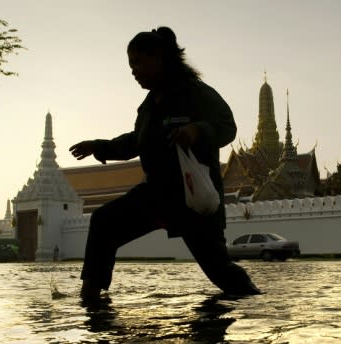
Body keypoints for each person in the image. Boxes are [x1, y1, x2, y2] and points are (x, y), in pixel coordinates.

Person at [70, 26, 260, 302]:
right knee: (104, 223)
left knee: (220, 270)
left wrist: (197, 130)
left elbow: (227, 127)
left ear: (158, 58)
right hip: (156, 196)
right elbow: (137, 141)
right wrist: (98, 147)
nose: (133, 70)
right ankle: (90, 300)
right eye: (130, 64)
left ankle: (257, 303)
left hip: (192, 200)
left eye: (137, 62)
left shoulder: (196, 93)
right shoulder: (148, 106)